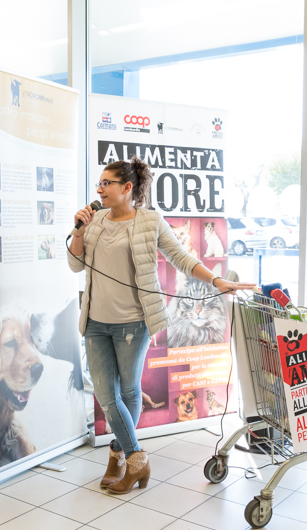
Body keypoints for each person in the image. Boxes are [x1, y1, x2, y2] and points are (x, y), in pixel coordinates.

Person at [67, 157, 255, 494]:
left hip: (133, 323)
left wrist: (215, 280)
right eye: (99, 183)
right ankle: (137, 459)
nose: (99, 189)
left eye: (107, 183)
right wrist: (79, 228)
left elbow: (181, 258)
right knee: (107, 397)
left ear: (128, 188)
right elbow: (75, 264)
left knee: (128, 391)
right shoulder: (93, 221)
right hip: (95, 321)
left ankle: (117, 455)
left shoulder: (150, 221)